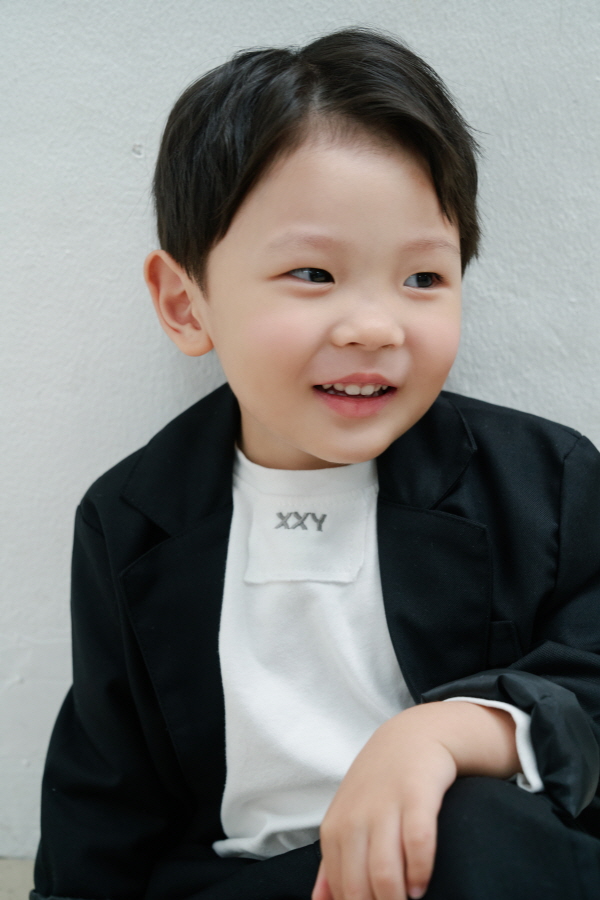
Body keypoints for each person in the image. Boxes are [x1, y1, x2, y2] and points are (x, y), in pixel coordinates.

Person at [31, 27, 600, 900]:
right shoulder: (134, 517)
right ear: (186, 304)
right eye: (312, 273)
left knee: (479, 822)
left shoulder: (543, 481)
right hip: (259, 881)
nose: (374, 325)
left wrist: (449, 732)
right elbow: (105, 785)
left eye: (423, 279)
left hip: (469, 865)